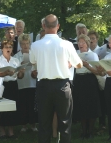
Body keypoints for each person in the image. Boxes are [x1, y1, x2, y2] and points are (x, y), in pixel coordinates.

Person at [30, 14, 83, 143]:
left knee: (44, 124)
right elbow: (79, 64)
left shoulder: (36, 45)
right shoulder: (67, 44)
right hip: (62, 86)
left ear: (43, 26)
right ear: (58, 26)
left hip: (43, 86)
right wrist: (68, 64)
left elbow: (33, 61)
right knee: (65, 123)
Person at [0, 40, 25, 138]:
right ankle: (2, 131)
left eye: (10, 47)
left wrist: (22, 72)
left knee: (12, 108)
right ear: (2, 49)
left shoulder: (15, 60)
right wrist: (5, 73)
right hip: (1, 85)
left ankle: (11, 131)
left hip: (13, 85)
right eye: (6, 47)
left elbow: (20, 76)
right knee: (1, 108)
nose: (8, 49)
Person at [72, 34, 101, 139]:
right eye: (79, 42)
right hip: (79, 80)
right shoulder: (75, 54)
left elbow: (97, 71)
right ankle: (83, 131)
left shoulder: (93, 55)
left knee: (91, 105)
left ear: (87, 44)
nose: (80, 44)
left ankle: (90, 131)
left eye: (83, 42)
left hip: (90, 80)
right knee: (81, 105)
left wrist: (87, 65)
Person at [13, 34, 38, 132]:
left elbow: (37, 69)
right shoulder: (16, 56)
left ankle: (33, 124)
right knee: (23, 104)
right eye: (23, 44)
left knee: (32, 104)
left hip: (32, 83)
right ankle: (23, 125)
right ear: (20, 45)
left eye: (27, 43)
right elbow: (15, 71)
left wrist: (33, 67)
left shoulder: (34, 55)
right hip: (21, 84)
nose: (25, 46)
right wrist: (20, 67)